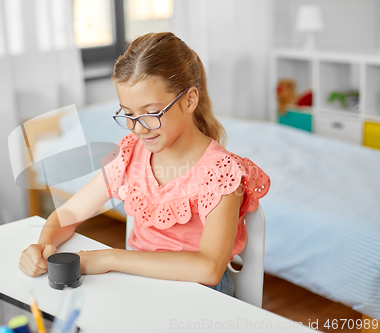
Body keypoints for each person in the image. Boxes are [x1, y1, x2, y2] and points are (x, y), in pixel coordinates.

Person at [19, 32, 270, 297]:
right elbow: (69, 214)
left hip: (199, 298)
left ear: (189, 100)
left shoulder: (221, 172)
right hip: (140, 287)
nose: (138, 128)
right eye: (128, 114)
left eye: (151, 113)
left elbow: (208, 268)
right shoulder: (130, 154)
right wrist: (44, 244)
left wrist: (109, 258)